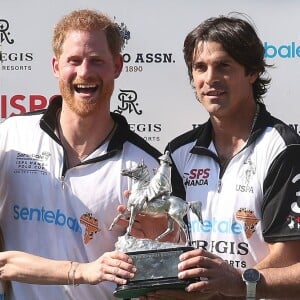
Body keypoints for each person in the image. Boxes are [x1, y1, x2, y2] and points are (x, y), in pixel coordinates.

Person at [0, 9, 178, 300]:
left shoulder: (147, 166)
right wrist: (79, 270)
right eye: (74, 61)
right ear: (56, 66)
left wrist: (162, 246)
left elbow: (162, 285)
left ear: (117, 67)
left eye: (97, 61)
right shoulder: (10, 136)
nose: (84, 72)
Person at [141, 13, 300, 300]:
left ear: (251, 72)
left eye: (223, 66)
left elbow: (290, 257)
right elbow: (174, 242)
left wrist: (229, 285)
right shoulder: (178, 152)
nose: (210, 79)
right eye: (200, 67)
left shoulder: (283, 148)